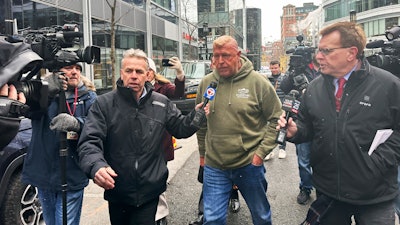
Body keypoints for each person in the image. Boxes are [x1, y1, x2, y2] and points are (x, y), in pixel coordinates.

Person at [277, 21, 400, 225]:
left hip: (375, 196)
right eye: (319, 50)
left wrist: (379, 161)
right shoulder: (314, 88)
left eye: (326, 51)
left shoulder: (388, 85)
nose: (318, 56)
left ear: (351, 53)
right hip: (329, 193)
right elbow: (307, 126)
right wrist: (296, 130)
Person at [77, 48, 207, 225]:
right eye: (129, 71)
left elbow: (180, 129)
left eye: (139, 71)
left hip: (149, 192)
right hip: (117, 190)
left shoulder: (161, 103)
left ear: (148, 75)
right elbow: (90, 141)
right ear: (121, 73)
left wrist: (196, 117)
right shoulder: (104, 104)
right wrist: (96, 166)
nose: (134, 76)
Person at [195, 35, 282, 225]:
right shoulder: (207, 83)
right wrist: (203, 156)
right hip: (215, 165)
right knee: (212, 219)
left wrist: (260, 154)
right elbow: (200, 124)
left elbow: (277, 118)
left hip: (249, 164)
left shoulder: (258, 83)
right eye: (216, 56)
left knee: (261, 216)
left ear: (238, 55)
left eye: (225, 55)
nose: (220, 61)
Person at [22, 63, 97, 225]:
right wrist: (46, 92)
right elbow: (28, 111)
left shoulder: (88, 97)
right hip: (43, 172)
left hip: (72, 172)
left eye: (78, 68)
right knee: (50, 222)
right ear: (56, 72)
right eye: (69, 68)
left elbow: (97, 127)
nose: (75, 72)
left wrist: (77, 123)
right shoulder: (42, 94)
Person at [147, 56, 185, 225]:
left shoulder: (163, 88)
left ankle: (160, 216)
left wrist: (179, 73)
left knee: (158, 180)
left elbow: (178, 93)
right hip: (138, 146)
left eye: (147, 70)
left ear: (152, 73)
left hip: (160, 144)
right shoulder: (129, 89)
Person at [279, 56, 320, 205]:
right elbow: (283, 87)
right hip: (301, 120)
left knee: (323, 160)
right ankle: (306, 188)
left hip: (322, 123)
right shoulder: (298, 70)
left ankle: (323, 189)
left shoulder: (327, 68)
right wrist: (292, 70)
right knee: (303, 160)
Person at [264, 60, 287, 160]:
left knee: (282, 128)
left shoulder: (285, 79)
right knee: (269, 129)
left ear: (279, 67)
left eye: (276, 68)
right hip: (271, 107)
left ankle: (282, 148)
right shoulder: (267, 79)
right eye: (272, 68)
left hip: (282, 107)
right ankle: (269, 150)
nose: (274, 70)